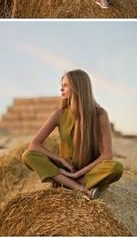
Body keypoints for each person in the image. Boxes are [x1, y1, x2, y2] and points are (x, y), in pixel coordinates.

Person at [22, 69, 123, 200]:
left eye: (65, 85)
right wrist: (61, 161)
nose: (60, 89)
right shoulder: (59, 114)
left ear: (77, 87)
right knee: (28, 155)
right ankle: (80, 188)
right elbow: (34, 145)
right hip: (65, 169)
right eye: (61, 85)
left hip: (88, 171)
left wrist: (78, 174)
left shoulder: (100, 114)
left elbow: (107, 155)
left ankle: (68, 183)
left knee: (116, 168)